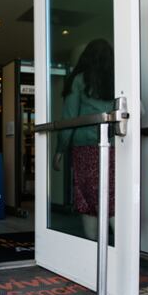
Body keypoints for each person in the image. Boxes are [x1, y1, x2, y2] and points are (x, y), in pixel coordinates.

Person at [53, 39, 115, 240]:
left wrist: (60, 150)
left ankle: (93, 247)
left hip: (85, 147)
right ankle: (125, 251)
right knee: (111, 197)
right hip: (114, 146)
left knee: (87, 198)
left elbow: (70, 117)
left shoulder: (79, 80)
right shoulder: (119, 78)